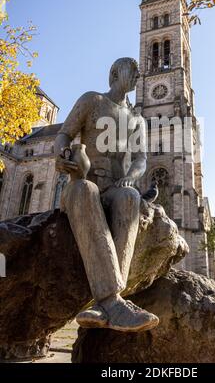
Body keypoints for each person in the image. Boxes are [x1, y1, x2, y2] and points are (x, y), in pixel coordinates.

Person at [54, 57, 159, 332]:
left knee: (131, 198)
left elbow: (141, 160)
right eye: (132, 70)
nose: (138, 75)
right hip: (83, 182)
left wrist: (130, 179)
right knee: (86, 189)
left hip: (116, 188)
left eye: (139, 72)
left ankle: (106, 301)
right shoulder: (92, 100)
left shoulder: (137, 119)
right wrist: (62, 156)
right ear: (114, 73)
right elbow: (64, 135)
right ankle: (113, 302)